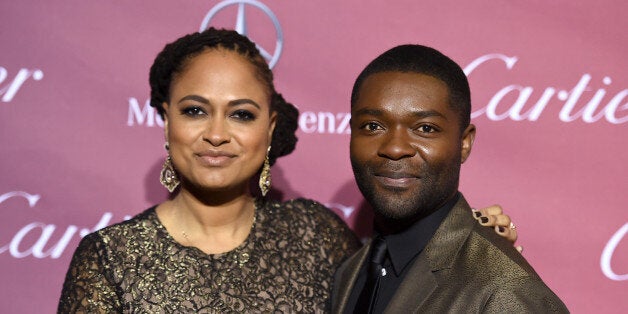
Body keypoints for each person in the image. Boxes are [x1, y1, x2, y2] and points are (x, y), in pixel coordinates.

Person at [58, 29, 519, 313]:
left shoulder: (315, 234)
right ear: (166, 121)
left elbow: (409, 284)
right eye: (195, 111)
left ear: (269, 127)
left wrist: (468, 237)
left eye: (241, 114)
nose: (216, 135)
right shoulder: (110, 258)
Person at [332, 45, 568, 313]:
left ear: (464, 143)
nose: (395, 148)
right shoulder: (349, 274)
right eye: (373, 126)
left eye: (425, 128)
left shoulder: (505, 291)